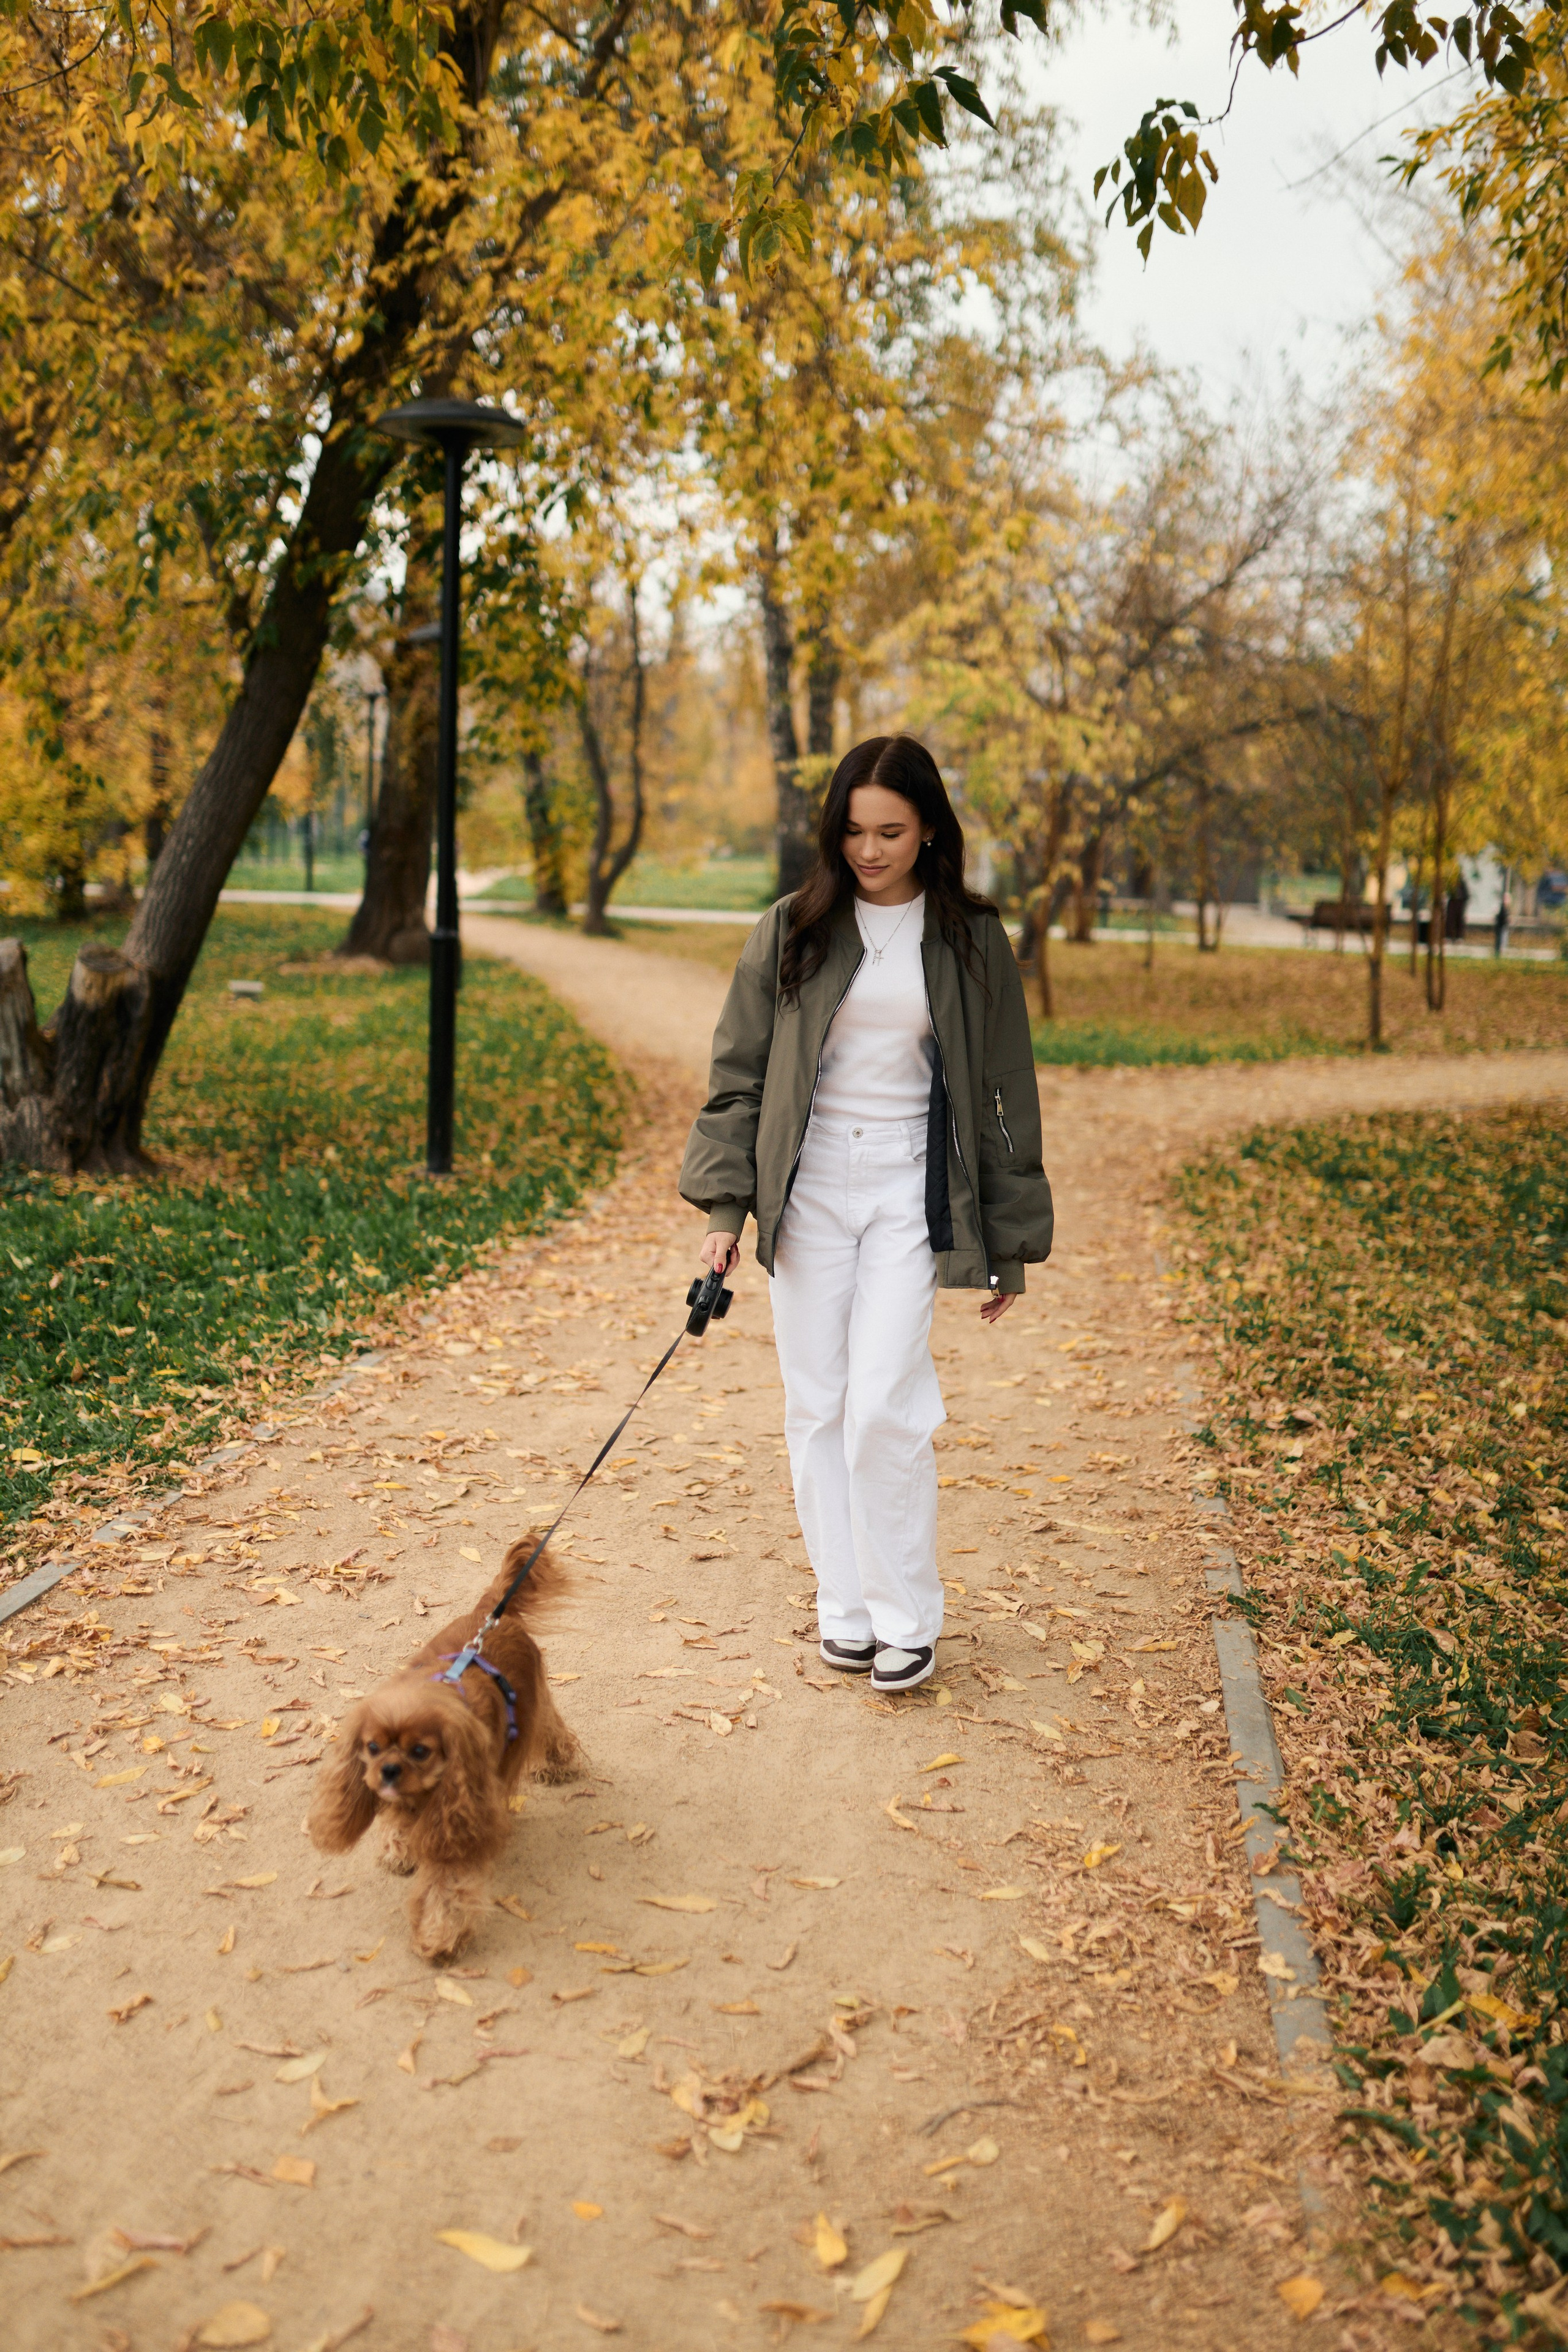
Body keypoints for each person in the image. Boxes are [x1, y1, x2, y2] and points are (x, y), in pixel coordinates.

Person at [679, 736, 1055, 1695]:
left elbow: (1007, 1093)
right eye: (852, 831)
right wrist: (728, 1206)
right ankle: (842, 1609)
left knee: (885, 1404)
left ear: (930, 828)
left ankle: (907, 1616)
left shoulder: (972, 940)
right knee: (817, 1406)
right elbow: (738, 1079)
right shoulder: (791, 928)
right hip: (806, 1193)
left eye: (890, 831)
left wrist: (1009, 1243)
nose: (869, 851)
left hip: (908, 1192)